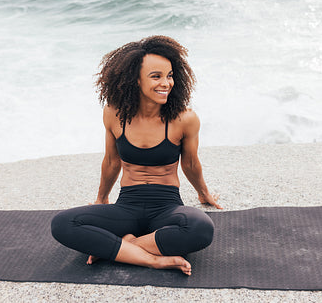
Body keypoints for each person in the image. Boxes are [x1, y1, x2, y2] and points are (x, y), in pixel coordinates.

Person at [51, 35, 222, 276]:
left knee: (201, 228)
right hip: (126, 208)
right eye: (156, 76)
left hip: (167, 207)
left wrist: (203, 194)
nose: (166, 83)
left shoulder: (184, 118)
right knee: (62, 224)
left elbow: (191, 163)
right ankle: (153, 259)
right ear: (135, 80)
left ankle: (123, 247)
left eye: (170, 75)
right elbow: (111, 161)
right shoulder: (113, 113)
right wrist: (101, 199)